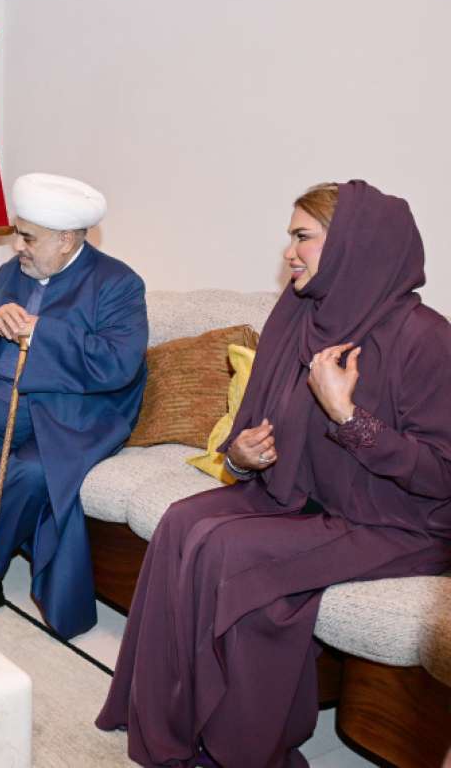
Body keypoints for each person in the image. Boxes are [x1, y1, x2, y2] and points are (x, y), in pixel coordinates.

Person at [96, 181, 451, 768]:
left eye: (302, 237)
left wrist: (348, 416)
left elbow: (439, 473)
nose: (289, 253)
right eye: (291, 237)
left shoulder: (427, 340)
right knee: (181, 522)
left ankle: (240, 752)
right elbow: (255, 428)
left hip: (400, 522)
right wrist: (242, 455)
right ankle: (165, 724)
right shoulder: (300, 313)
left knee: (230, 551)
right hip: (308, 497)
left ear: (352, 244)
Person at [0, 173, 148, 637]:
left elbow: (119, 362)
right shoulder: (10, 273)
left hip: (67, 417)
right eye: (18, 234)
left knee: (32, 471)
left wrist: (42, 331)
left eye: (28, 237)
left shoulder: (118, 282)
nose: (18, 246)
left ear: (66, 239)